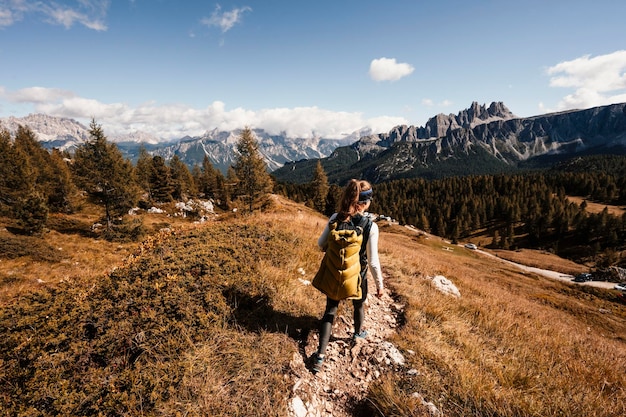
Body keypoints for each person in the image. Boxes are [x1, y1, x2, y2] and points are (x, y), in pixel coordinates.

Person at [311, 179, 384, 373]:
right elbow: (373, 261)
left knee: (330, 311)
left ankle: (320, 356)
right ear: (366, 202)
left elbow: (320, 244)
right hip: (357, 276)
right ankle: (358, 334)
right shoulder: (370, 226)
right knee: (359, 305)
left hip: (334, 272)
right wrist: (380, 285)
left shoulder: (336, 217)